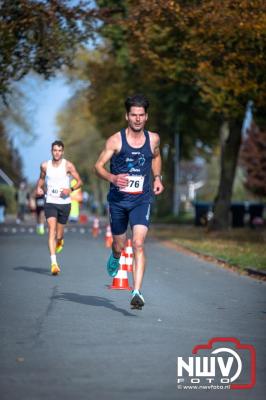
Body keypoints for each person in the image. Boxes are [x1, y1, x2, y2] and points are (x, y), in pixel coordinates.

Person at [95, 94, 164, 309]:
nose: (137, 119)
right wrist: (113, 178)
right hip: (118, 201)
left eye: (141, 115)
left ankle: (137, 291)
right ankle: (115, 256)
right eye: (133, 115)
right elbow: (97, 166)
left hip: (141, 200)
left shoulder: (153, 139)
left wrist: (157, 178)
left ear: (146, 117)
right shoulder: (115, 140)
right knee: (119, 245)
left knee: (138, 244)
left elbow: (157, 156)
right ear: (127, 116)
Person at [36, 140, 82, 275]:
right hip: (50, 202)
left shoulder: (68, 165)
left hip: (65, 203)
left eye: (59, 150)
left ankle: (60, 240)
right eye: (55, 150)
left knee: (59, 234)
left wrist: (71, 189)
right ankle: (54, 263)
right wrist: (38, 187)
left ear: (63, 152)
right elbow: (41, 179)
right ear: (51, 151)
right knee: (51, 230)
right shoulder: (45, 166)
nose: (57, 152)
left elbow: (80, 181)